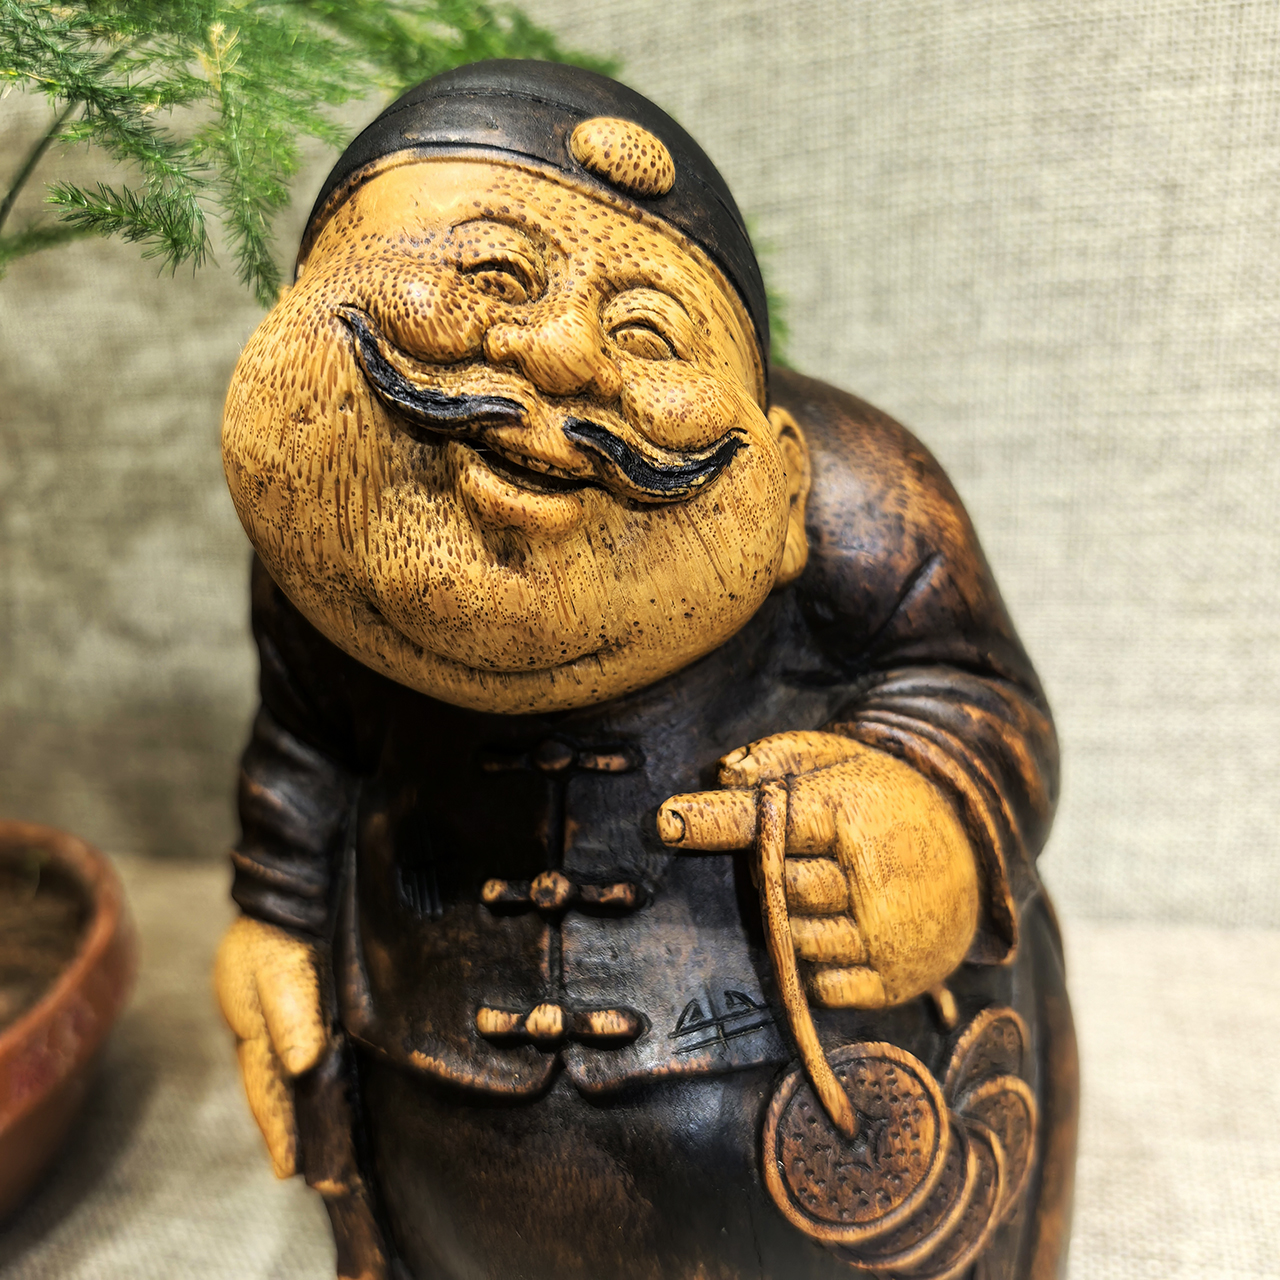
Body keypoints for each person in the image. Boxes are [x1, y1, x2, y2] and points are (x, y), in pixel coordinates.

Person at [214, 59, 1076, 1280]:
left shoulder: (862, 493)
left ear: (782, 472)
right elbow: (304, 746)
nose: (562, 351)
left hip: (825, 1128)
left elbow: (974, 691)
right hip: (430, 1081)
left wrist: (927, 819)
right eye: (494, 274)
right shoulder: (321, 536)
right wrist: (273, 915)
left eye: (643, 330)